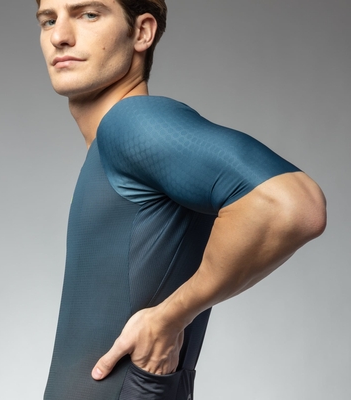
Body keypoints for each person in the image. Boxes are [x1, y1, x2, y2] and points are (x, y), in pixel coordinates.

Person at [35, 0, 327, 399]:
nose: (59, 36)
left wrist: (169, 318)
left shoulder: (130, 123)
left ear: (142, 32)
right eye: (48, 20)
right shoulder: (109, 147)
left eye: (88, 14)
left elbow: (293, 205)